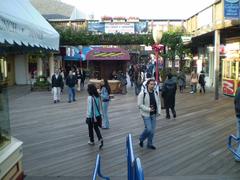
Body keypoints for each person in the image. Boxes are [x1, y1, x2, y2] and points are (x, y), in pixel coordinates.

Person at [138, 79, 161, 150]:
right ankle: (141, 139)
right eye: (151, 84)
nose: (152, 86)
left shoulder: (156, 93)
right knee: (149, 129)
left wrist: (159, 111)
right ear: (147, 84)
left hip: (153, 114)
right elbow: (139, 105)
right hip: (146, 114)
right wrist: (148, 109)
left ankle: (149, 144)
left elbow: (159, 102)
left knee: (152, 131)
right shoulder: (143, 93)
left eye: (154, 84)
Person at [86, 84, 103, 149]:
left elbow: (89, 109)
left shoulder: (90, 97)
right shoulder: (97, 96)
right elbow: (98, 107)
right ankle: (100, 138)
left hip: (92, 116)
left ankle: (91, 140)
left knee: (90, 128)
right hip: (97, 115)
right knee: (96, 128)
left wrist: (88, 116)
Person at [234, 87, 240, 161]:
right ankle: (238, 156)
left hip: (238, 114)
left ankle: (238, 147)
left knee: (238, 132)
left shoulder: (238, 89)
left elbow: (235, 101)